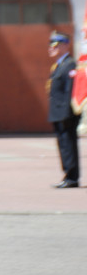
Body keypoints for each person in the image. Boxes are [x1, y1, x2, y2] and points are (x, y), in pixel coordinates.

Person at [47, 31, 80, 188]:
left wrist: (67, 114)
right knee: (63, 145)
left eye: (55, 45)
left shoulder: (69, 65)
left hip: (65, 114)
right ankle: (67, 175)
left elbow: (69, 91)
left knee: (68, 145)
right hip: (58, 112)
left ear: (66, 45)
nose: (51, 48)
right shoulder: (59, 65)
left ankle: (72, 178)